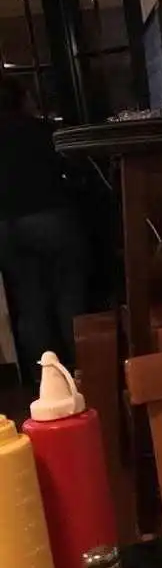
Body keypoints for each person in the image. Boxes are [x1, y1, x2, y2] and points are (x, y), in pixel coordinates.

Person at [0, 76, 88, 382]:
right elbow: (74, 171)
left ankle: (47, 379)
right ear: (23, 98)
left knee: (29, 302)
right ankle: (83, 371)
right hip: (50, 217)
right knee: (69, 295)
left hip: (6, 226)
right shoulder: (41, 130)